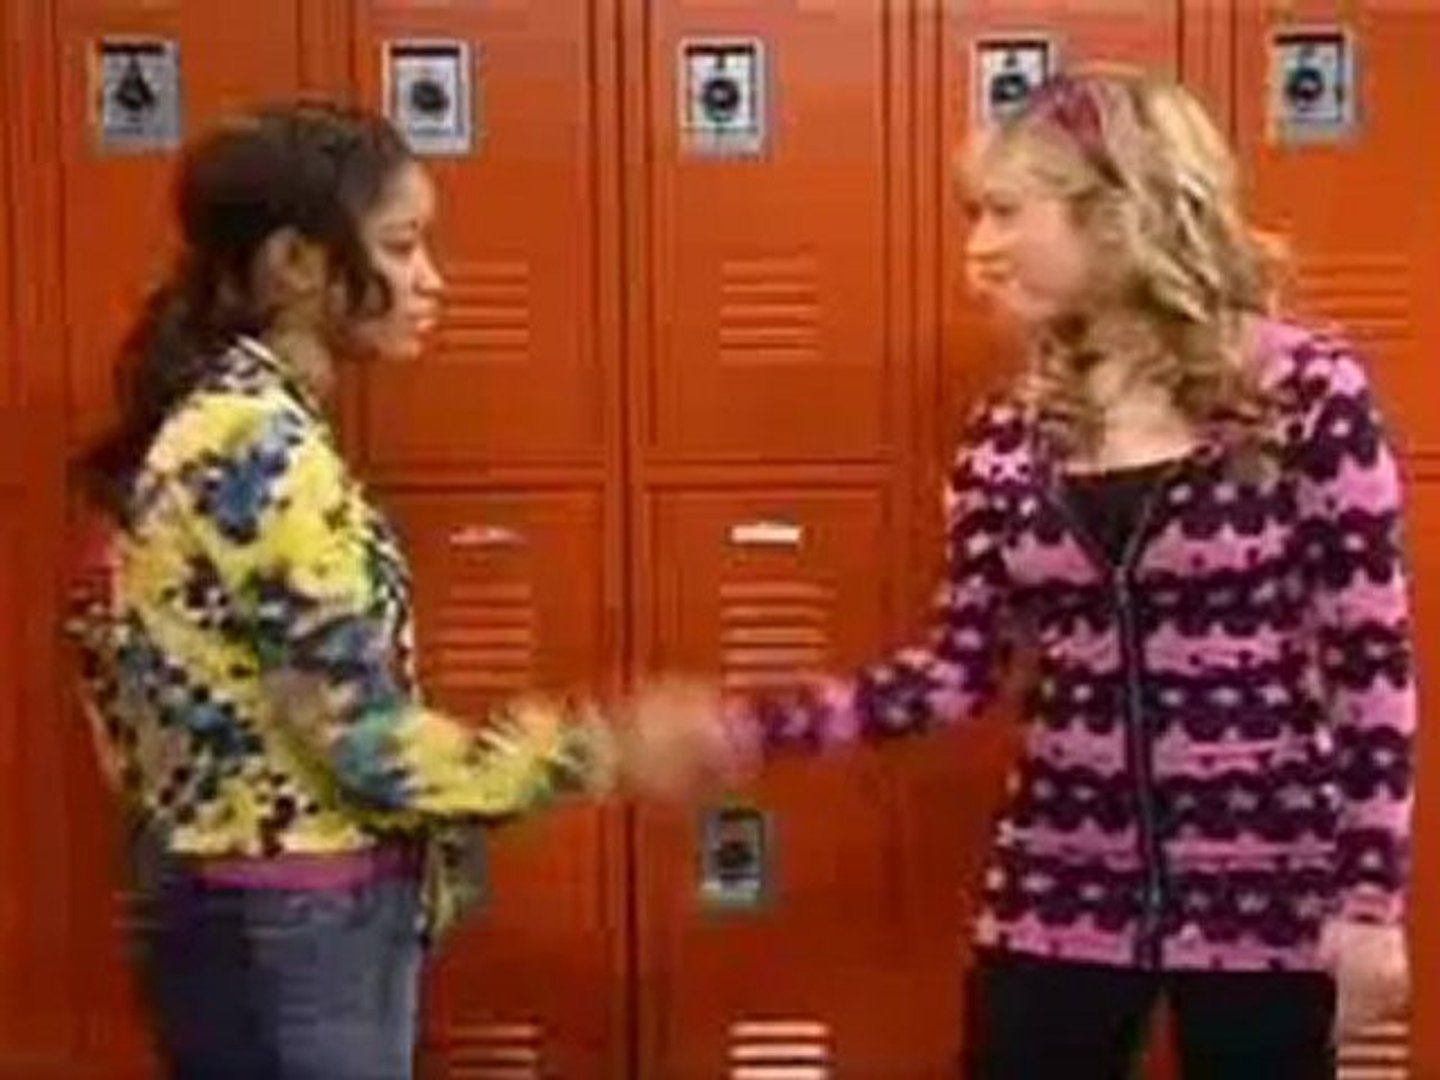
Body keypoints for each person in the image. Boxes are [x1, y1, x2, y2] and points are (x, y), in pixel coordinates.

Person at [632, 65, 1415, 1078]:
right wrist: (751, 728)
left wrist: (1370, 904)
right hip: (1057, 892)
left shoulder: (1307, 390)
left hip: (1269, 893)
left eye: (1006, 212)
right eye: (976, 216)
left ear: (1119, 207)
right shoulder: (1007, 437)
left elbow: (1371, 665)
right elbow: (956, 673)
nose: (978, 250)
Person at [65, 101, 622, 1080]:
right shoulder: (258, 447)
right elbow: (362, 740)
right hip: (299, 922)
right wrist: (583, 753)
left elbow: (112, 691)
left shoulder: (209, 423)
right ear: (297, 262)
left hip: (229, 902)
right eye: (402, 247)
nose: (432, 279)